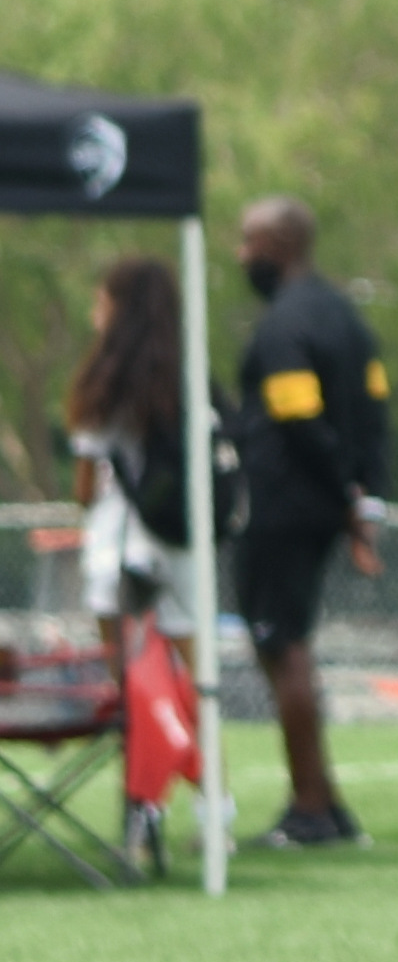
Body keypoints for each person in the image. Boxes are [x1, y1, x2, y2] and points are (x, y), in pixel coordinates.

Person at [228, 195, 388, 849]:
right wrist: (364, 500)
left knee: (281, 645)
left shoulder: (283, 325)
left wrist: (346, 498)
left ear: (277, 244)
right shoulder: (349, 320)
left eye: (248, 242)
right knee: (289, 644)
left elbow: (299, 419)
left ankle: (311, 809)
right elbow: (375, 416)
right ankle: (325, 802)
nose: (242, 256)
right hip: (322, 506)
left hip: (282, 508)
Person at [62, 255, 204, 862]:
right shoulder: (191, 376)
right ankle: (211, 808)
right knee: (196, 688)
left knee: (137, 694)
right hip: (183, 547)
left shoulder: (103, 383)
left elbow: (87, 487)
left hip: (119, 549)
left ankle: (142, 820)